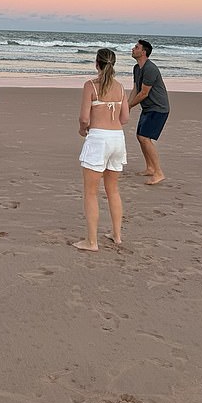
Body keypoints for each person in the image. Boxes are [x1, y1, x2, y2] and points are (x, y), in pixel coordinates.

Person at [73, 48, 129, 252]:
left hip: (99, 139)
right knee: (113, 189)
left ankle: (91, 241)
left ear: (97, 64)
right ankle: (117, 234)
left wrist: (82, 129)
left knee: (90, 193)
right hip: (117, 139)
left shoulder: (91, 86)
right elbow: (125, 119)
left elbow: (84, 118)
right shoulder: (121, 87)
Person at [128, 39, 170, 185]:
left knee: (145, 138)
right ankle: (150, 168)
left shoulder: (150, 68)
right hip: (148, 108)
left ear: (143, 52)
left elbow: (144, 93)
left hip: (158, 108)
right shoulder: (136, 68)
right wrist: (127, 105)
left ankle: (159, 172)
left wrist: (129, 107)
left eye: (136, 47)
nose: (133, 49)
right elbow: (136, 89)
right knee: (140, 137)